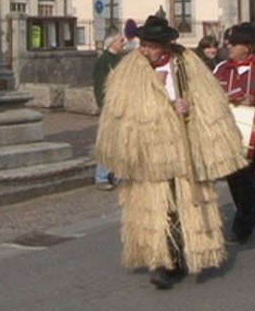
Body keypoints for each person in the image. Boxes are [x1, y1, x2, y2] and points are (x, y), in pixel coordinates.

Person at [95, 15, 244, 290]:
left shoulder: (186, 64)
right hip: (150, 152)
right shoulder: (130, 70)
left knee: (183, 205)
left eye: (152, 46)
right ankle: (160, 263)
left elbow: (208, 101)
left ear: (164, 45)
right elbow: (123, 111)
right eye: (144, 45)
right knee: (157, 208)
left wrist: (187, 107)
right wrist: (160, 99)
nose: (146, 51)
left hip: (183, 149)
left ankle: (180, 255)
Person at [213, 22, 255, 243]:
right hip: (226, 134)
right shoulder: (221, 69)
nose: (229, 47)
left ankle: (242, 226)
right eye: (229, 43)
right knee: (234, 180)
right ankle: (248, 214)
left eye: (234, 44)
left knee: (246, 180)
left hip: (252, 135)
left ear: (247, 47)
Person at [93, 31, 126, 190]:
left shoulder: (119, 59)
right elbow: (99, 84)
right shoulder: (103, 61)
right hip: (109, 106)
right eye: (121, 41)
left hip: (120, 105)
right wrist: (103, 106)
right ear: (112, 42)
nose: (124, 43)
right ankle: (101, 177)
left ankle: (116, 174)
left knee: (120, 142)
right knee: (107, 142)